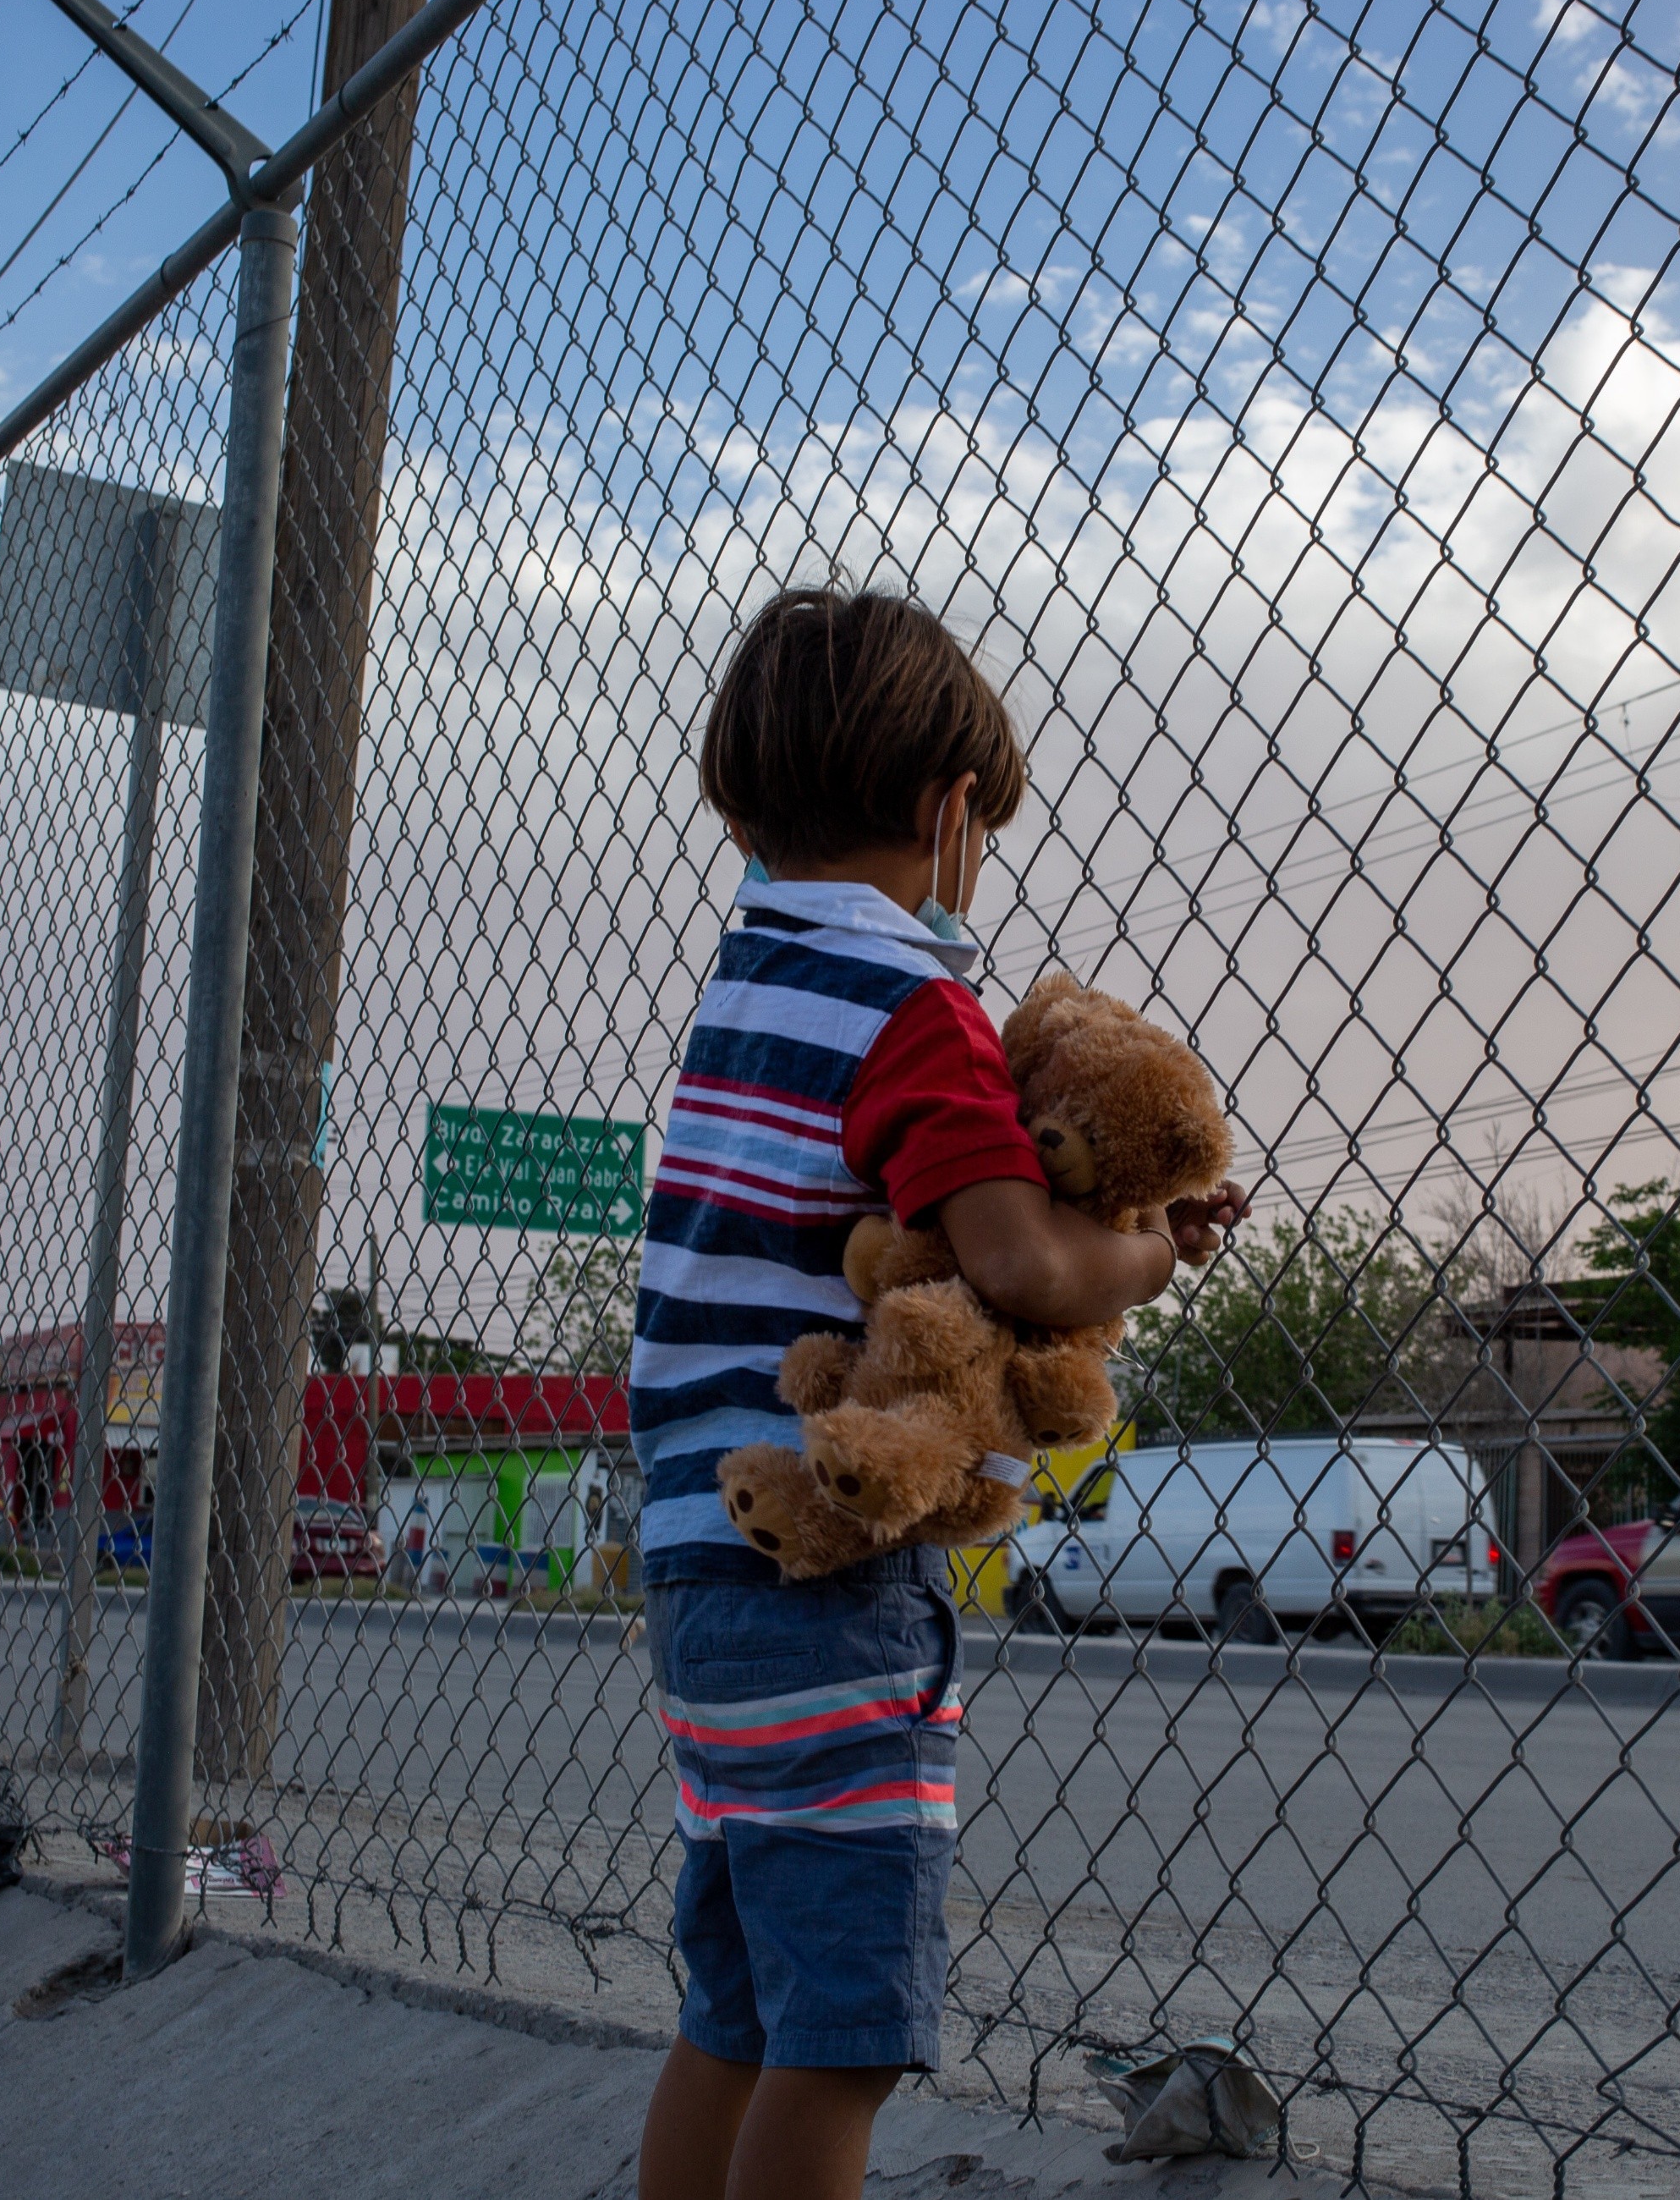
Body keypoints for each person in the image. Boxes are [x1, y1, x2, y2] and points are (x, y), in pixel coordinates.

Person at [629, 587, 1245, 2200]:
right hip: (828, 1576)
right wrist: (1150, 1257)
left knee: (740, 2010)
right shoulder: (916, 1009)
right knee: (838, 2036)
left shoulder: (747, 991)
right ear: (950, 810)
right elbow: (1020, 1265)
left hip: (698, 1562)